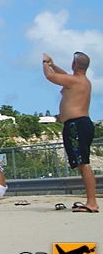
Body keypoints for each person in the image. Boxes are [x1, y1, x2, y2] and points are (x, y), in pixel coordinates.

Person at [44, 51, 98, 212]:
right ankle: (91, 201)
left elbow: (50, 77)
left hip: (76, 125)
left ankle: (92, 203)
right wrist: (53, 65)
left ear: (74, 64)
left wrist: (46, 63)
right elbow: (64, 76)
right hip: (82, 124)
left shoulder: (74, 81)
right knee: (82, 163)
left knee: (83, 164)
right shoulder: (82, 81)